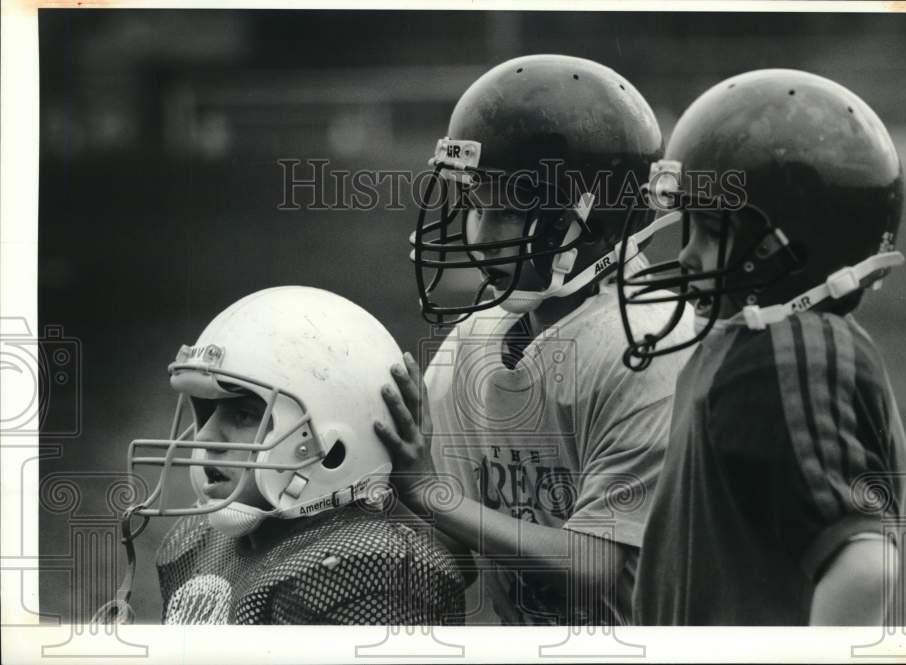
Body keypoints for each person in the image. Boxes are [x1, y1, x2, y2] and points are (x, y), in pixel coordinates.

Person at [374, 54, 694, 625]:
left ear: (592, 220)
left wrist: (431, 496)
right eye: (476, 205)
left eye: (508, 210)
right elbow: (451, 553)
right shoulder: (473, 341)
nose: (480, 237)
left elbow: (597, 566)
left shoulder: (650, 343)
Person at [616, 69, 906, 625]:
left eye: (711, 230)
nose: (686, 257)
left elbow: (864, 565)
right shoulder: (742, 345)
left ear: (790, 250)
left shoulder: (793, 345)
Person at [94, 286, 465, 624]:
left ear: (332, 448)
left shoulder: (371, 563)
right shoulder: (196, 541)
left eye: (244, 414)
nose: (205, 436)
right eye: (207, 411)